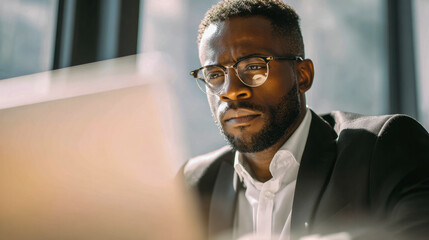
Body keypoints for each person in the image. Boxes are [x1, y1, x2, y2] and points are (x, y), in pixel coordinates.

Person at [179, 0, 429, 239]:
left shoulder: (383, 148)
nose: (231, 91)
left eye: (254, 67)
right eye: (214, 74)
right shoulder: (194, 184)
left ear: (303, 76)